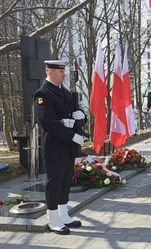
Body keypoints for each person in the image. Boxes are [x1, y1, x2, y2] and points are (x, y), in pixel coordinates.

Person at [34, 60, 84, 235]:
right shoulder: (42, 94)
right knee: (54, 182)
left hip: (68, 146)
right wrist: (72, 135)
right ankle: (53, 219)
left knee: (66, 180)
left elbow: (73, 114)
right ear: (50, 71)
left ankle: (64, 215)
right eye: (60, 71)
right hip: (55, 146)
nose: (64, 74)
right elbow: (48, 122)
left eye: (64, 71)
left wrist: (81, 118)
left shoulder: (65, 92)